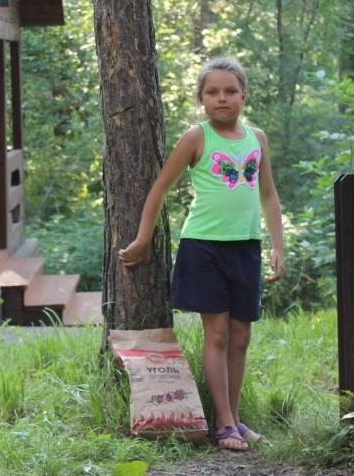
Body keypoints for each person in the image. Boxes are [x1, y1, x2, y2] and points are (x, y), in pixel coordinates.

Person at [119, 56, 285, 451]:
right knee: (219, 333)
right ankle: (223, 424)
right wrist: (143, 239)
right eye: (212, 92)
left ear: (244, 95)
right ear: (201, 99)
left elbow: (268, 194)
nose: (222, 99)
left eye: (230, 91)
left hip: (246, 248)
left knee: (242, 336)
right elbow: (159, 189)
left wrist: (278, 245)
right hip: (204, 248)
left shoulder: (256, 138)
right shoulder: (197, 138)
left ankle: (235, 418)